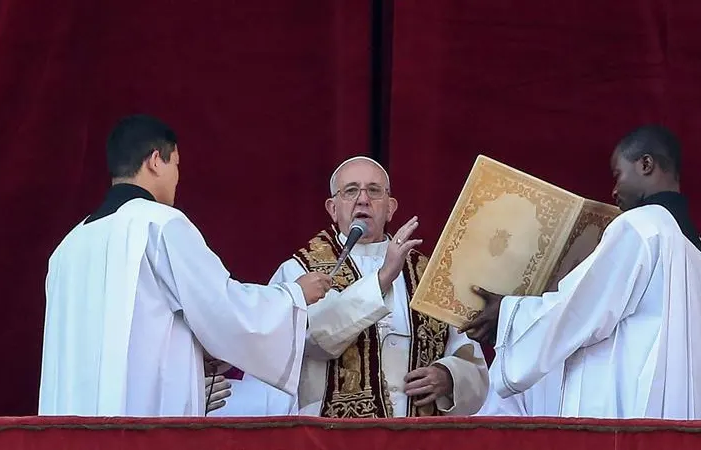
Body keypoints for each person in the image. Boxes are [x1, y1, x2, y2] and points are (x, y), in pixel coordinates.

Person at [38, 114, 332, 416]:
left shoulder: (67, 248)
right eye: (175, 165)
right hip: (140, 421)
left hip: (72, 424)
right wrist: (292, 296)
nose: (177, 177)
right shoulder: (160, 224)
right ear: (155, 160)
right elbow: (222, 307)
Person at [460, 125, 701, 420]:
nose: (613, 190)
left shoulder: (639, 227)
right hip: (679, 419)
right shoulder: (699, 252)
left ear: (645, 164)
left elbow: (581, 309)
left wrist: (509, 314)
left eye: (617, 175)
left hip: (629, 415)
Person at [216, 156, 489, 418]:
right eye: (350, 191)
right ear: (332, 209)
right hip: (333, 437)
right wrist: (382, 279)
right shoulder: (299, 270)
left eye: (374, 191)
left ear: (391, 207)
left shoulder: (430, 275)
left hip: (418, 436)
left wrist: (449, 377)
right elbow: (311, 340)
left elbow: (470, 359)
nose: (363, 199)